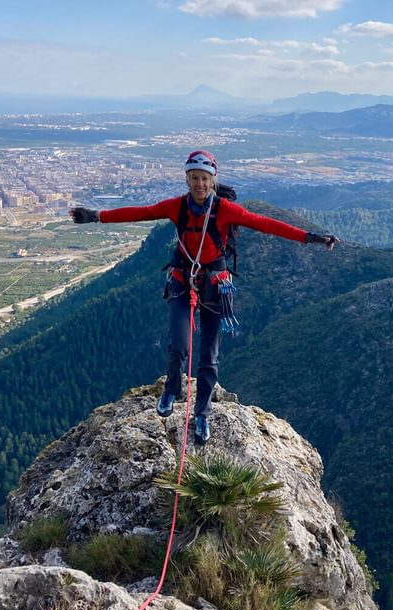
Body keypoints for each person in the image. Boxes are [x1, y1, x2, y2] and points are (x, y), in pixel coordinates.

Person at [70, 149, 338, 445]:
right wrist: (96, 216)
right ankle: (171, 389)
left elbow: (265, 223)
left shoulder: (225, 211)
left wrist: (311, 237)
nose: (199, 184)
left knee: (209, 357)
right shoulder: (177, 207)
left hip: (215, 285)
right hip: (182, 280)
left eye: (204, 178)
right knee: (180, 346)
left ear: (213, 180)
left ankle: (202, 414)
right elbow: (140, 213)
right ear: (187, 180)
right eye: (194, 178)